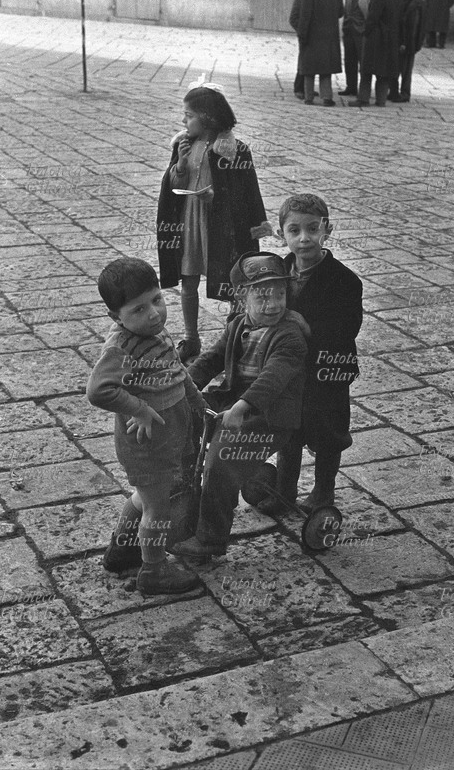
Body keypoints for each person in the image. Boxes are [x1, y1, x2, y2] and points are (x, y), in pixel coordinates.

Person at [168, 252, 308, 559]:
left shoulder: (290, 335)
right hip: (237, 399)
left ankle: (210, 539)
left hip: (270, 413)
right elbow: (213, 358)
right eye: (262, 296)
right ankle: (185, 495)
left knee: (221, 461)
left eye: (280, 295)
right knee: (187, 416)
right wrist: (184, 385)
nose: (272, 304)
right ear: (242, 296)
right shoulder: (238, 325)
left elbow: (272, 379)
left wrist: (242, 407)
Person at [86, 257, 206, 595]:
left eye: (156, 300)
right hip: (147, 442)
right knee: (158, 507)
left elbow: (176, 372)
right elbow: (98, 390)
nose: (153, 313)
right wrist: (137, 409)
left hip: (170, 434)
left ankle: (122, 551)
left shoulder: (154, 331)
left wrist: (198, 403)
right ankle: (154, 571)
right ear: (116, 317)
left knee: (146, 496)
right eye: (138, 309)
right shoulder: (123, 346)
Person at [156, 80, 271, 364]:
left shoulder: (233, 149)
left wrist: (218, 197)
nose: (183, 120)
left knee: (232, 280)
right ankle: (191, 338)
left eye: (189, 114)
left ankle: (233, 338)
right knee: (188, 278)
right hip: (189, 220)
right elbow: (172, 184)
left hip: (222, 226)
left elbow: (247, 190)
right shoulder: (184, 144)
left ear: (206, 117)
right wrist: (180, 166)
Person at [262, 194, 362, 515]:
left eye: (312, 229)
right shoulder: (277, 272)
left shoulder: (344, 281)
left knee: (327, 433)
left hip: (327, 371)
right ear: (281, 234)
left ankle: (323, 491)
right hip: (290, 373)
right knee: (288, 432)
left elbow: (346, 329)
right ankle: (284, 490)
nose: (304, 238)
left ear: (327, 230)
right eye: (294, 230)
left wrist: (301, 328)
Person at [349, 0, 402, 108]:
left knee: (366, 70)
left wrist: (366, 32)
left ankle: (363, 99)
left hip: (375, 39)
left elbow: (372, 18)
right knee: (383, 71)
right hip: (390, 40)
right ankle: (381, 100)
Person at [296, 0, 344, 107]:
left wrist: (302, 35)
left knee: (309, 67)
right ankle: (327, 97)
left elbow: (305, 15)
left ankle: (308, 97)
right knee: (326, 68)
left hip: (312, 35)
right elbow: (341, 12)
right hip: (329, 36)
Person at [388, 0, 424, 102]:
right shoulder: (406, 1)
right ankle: (394, 92)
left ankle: (404, 94)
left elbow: (413, 28)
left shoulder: (416, 4)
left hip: (409, 43)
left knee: (406, 70)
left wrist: (406, 44)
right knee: (396, 67)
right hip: (401, 41)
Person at [340, 0, 375, 97]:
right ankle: (351, 87)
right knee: (349, 61)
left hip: (362, 33)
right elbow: (346, 12)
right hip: (349, 32)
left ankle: (363, 90)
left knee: (363, 62)